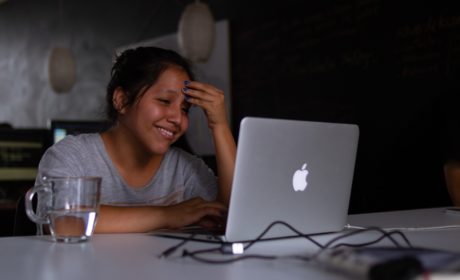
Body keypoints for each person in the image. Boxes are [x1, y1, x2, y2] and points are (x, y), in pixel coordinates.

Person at [35, 46, 236, 233]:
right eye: (165, 101)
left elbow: (232, 218)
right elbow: (62, 223)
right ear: (121, 100)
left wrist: (219, 126)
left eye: (185, 109)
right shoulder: (71, 156)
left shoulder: (184, 170)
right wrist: (167, 215)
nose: (177, 119)